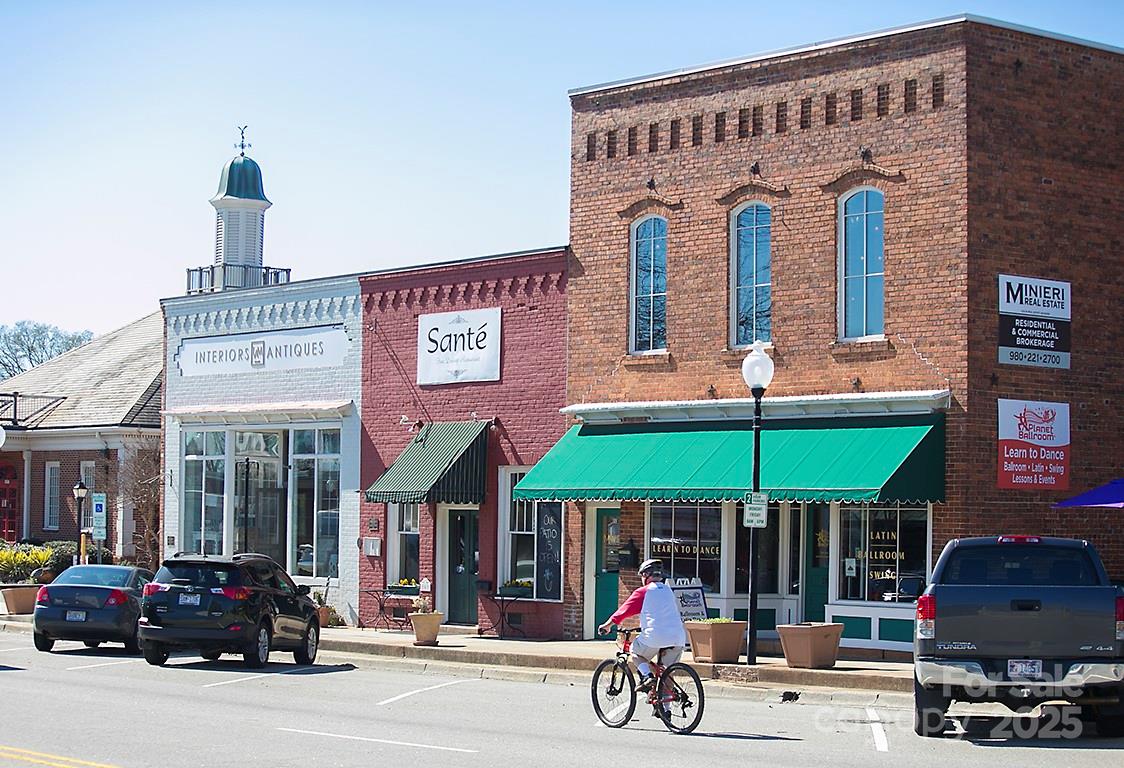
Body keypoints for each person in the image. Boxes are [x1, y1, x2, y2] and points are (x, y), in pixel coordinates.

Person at [598, 558, 686, 692]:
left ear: (646, 575)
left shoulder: (643, 592)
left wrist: (607, 625)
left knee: (634, 651)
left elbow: (623, 612)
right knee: (667, 673)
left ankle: (647, 676)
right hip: (678, 637)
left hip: (655, 636)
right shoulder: (668, 590)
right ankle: (666, 703)